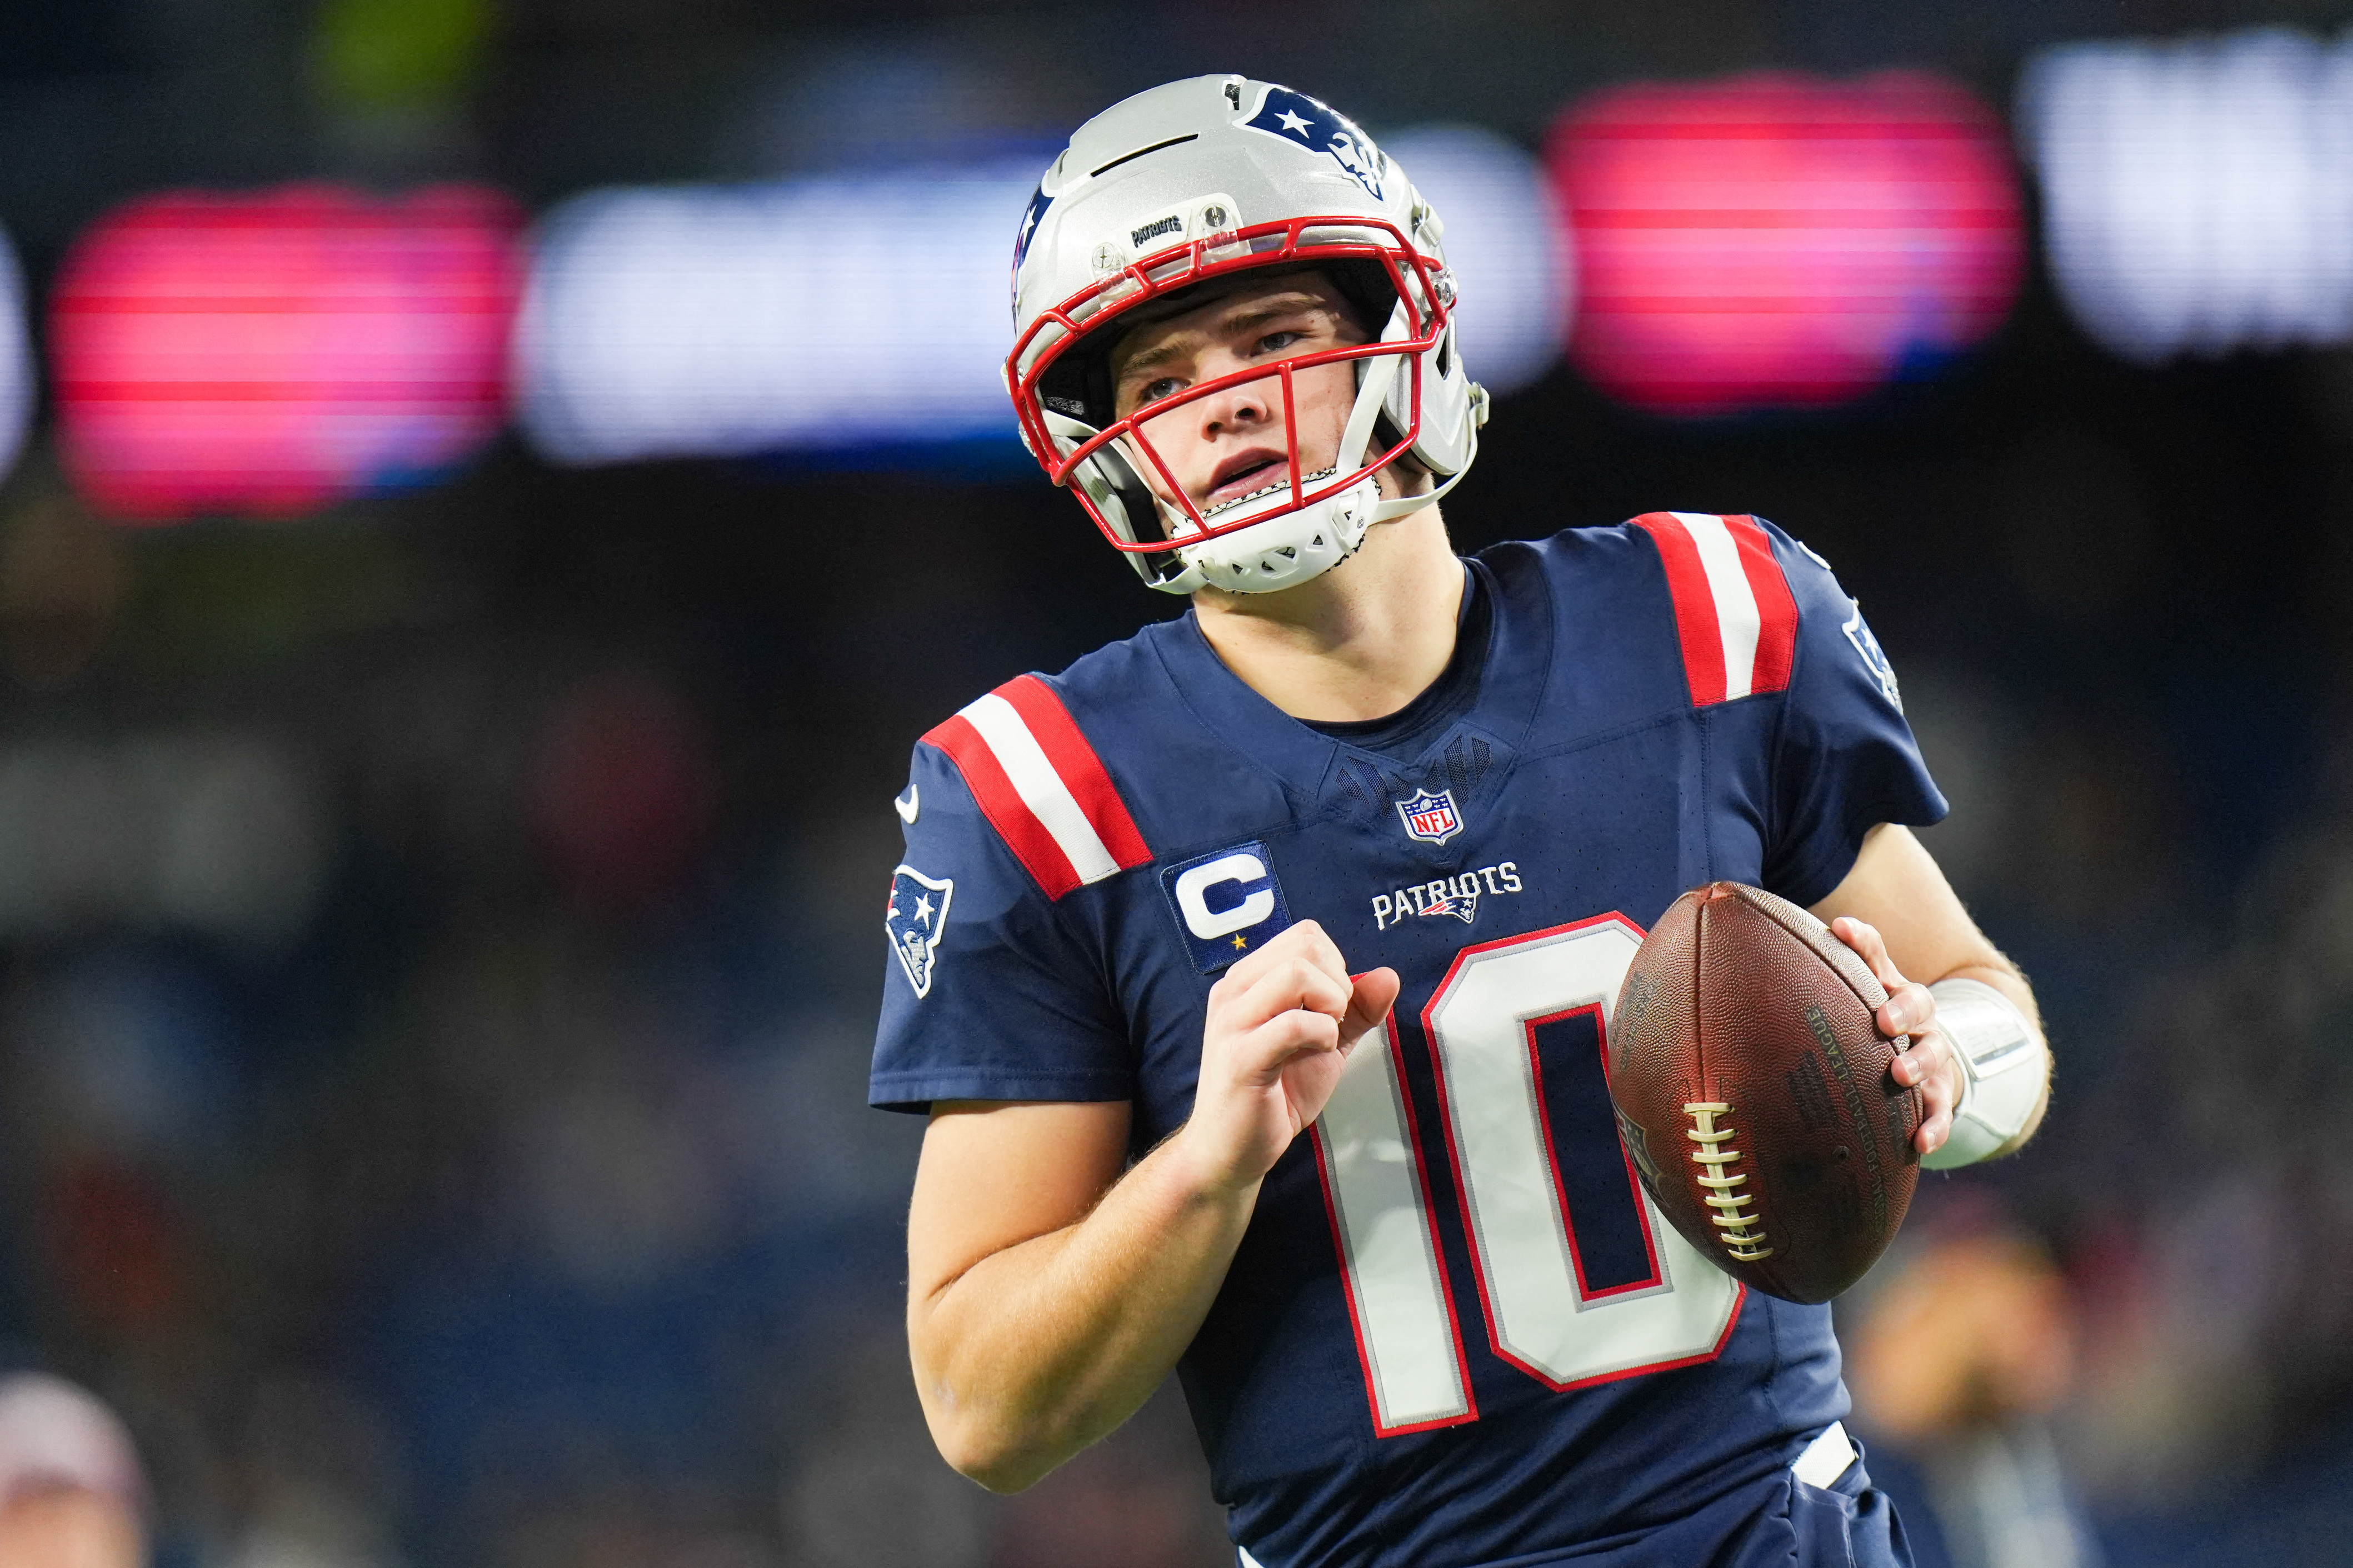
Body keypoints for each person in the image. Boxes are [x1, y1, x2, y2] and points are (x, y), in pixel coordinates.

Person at [869, 74, 2053, 1568]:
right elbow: (983, 1409)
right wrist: (1203, 1167)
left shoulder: (1709, 617)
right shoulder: (1042, 794)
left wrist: (1937, 1070)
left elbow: (1997, 1029)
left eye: (1273, 338)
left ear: (1405, 327)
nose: (1220, 399)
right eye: (1161, 375)